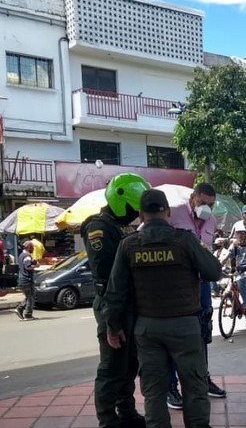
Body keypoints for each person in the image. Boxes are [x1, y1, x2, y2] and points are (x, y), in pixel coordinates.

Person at [103, 189, 222, 428]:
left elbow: (115, 292)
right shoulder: (185, 240)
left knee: (154, 390)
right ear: (167, 212)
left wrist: (113, 326)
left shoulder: (128, 245)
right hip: (185, 326)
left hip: (147, 328)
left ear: (141, 215)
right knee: (194, 385)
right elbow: (213, 271)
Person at [81, 172, 150, 428]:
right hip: (112, 304)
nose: (135, 215)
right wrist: (113, 321)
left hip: (129, 304)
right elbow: (106, 277)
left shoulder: (121, 226)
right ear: (120, 201)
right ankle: (108, 421)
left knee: (130, 364)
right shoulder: (98, 228)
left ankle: (127, 411)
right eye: (132, 208)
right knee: (111, 368)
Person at [165, 182, 226, 406]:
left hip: (201, 285)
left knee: (202, 333)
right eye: (202, 202)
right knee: (176, 335)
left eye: (211, 204)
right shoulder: (173, 213)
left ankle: (202, 379)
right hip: (177, 286)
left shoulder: (211, 220)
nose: (206, 207)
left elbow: (206, 251)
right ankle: (170, 387)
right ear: (193, 197)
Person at [15, 241, 36, 321]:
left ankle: (19, 309)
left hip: (22, 279)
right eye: (32, 247)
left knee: (29, 296)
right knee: (30, 297)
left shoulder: (21, 255)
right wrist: (36, 266)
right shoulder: (27, 256)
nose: (33, 249)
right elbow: (27, 266)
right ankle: (28, 314)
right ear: (29, 247)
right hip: (27, 279)